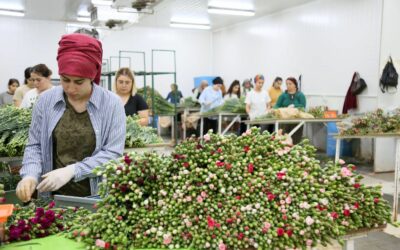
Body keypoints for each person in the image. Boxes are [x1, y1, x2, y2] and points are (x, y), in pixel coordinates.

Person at [16, 33, 126, 202]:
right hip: (53, 196)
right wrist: (29, 175)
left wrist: (73, 170)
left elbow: (112, 153)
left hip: (96, 198)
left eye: (79, 82)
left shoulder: (111, 104)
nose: (70, 88)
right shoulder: (46, 101)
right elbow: (35, 145)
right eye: (65, 79)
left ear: (92, 77)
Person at [274, 77, 306, 144]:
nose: (288, 85)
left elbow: (303, 106)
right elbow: (276, 106)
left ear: (295, 85)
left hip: (297, 122)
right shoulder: (283, 95)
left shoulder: (300, 95)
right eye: (287, 84)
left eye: (290, 84)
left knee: (295, 139)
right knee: (283, 139)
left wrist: (294, 106)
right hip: (284, 121)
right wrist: (278, 109)